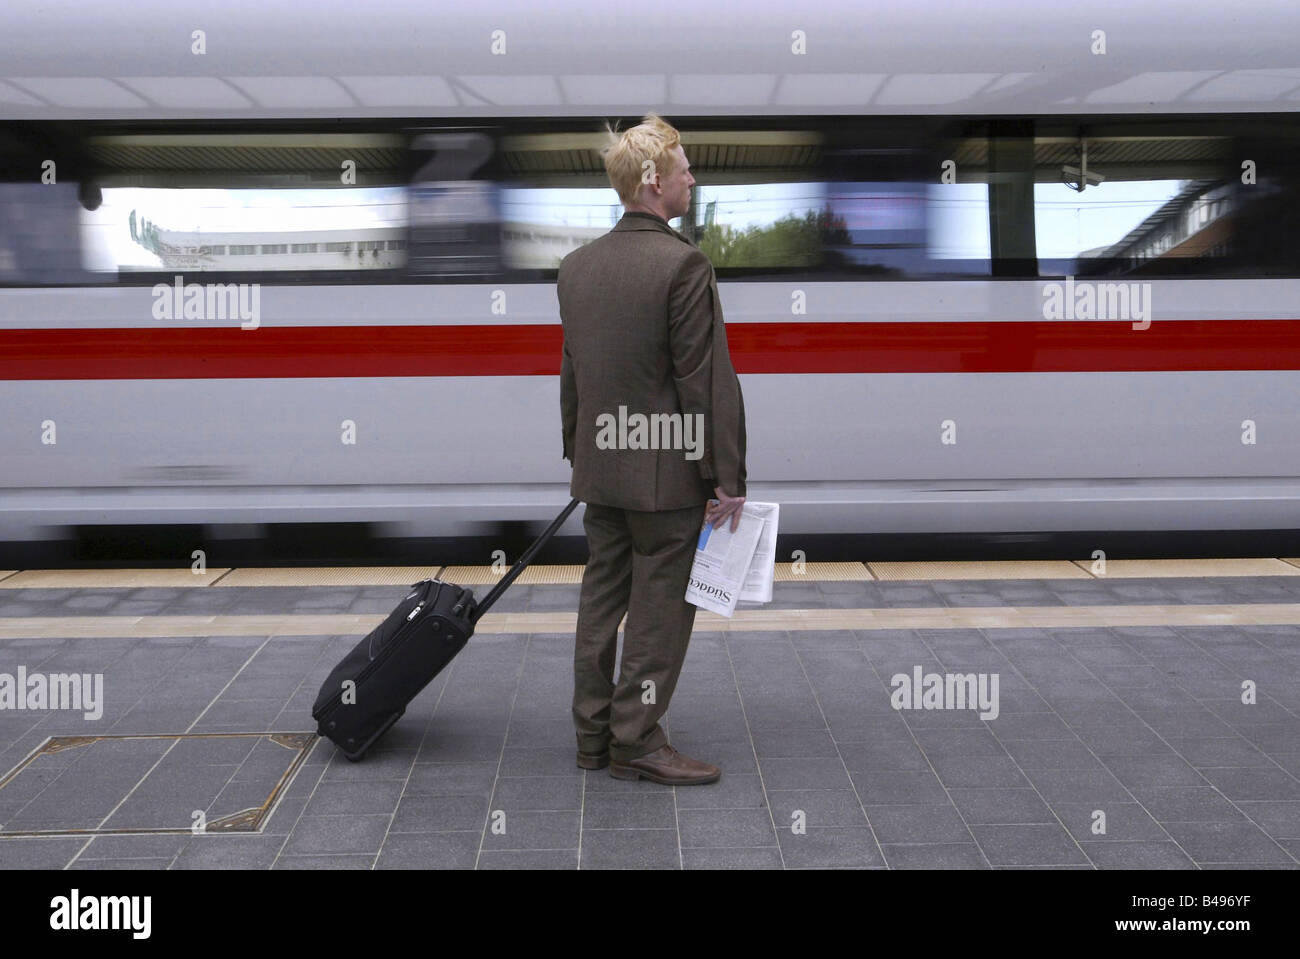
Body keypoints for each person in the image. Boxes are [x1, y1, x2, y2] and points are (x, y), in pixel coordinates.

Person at [557, 112, 747, 785]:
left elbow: (572, 373)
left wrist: (578, 452)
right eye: (683, 169)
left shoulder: (576, 268)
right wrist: (724, 476)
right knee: (659, 611)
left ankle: (592, 734)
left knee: (602, 600)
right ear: (652, 182)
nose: (692, 178)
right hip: (666, 479)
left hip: (601, 468)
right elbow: (704, 381)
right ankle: (635, 739)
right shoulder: (683, 264)